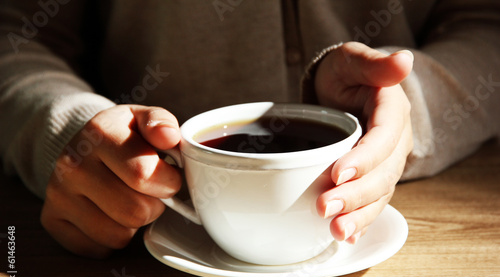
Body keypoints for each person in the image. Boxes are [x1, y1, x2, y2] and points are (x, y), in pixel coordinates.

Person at [0, 1, 498, 259]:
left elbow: (486, 23)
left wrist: (409, 105)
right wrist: (67, 125)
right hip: (138, 228)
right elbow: (16, 33)